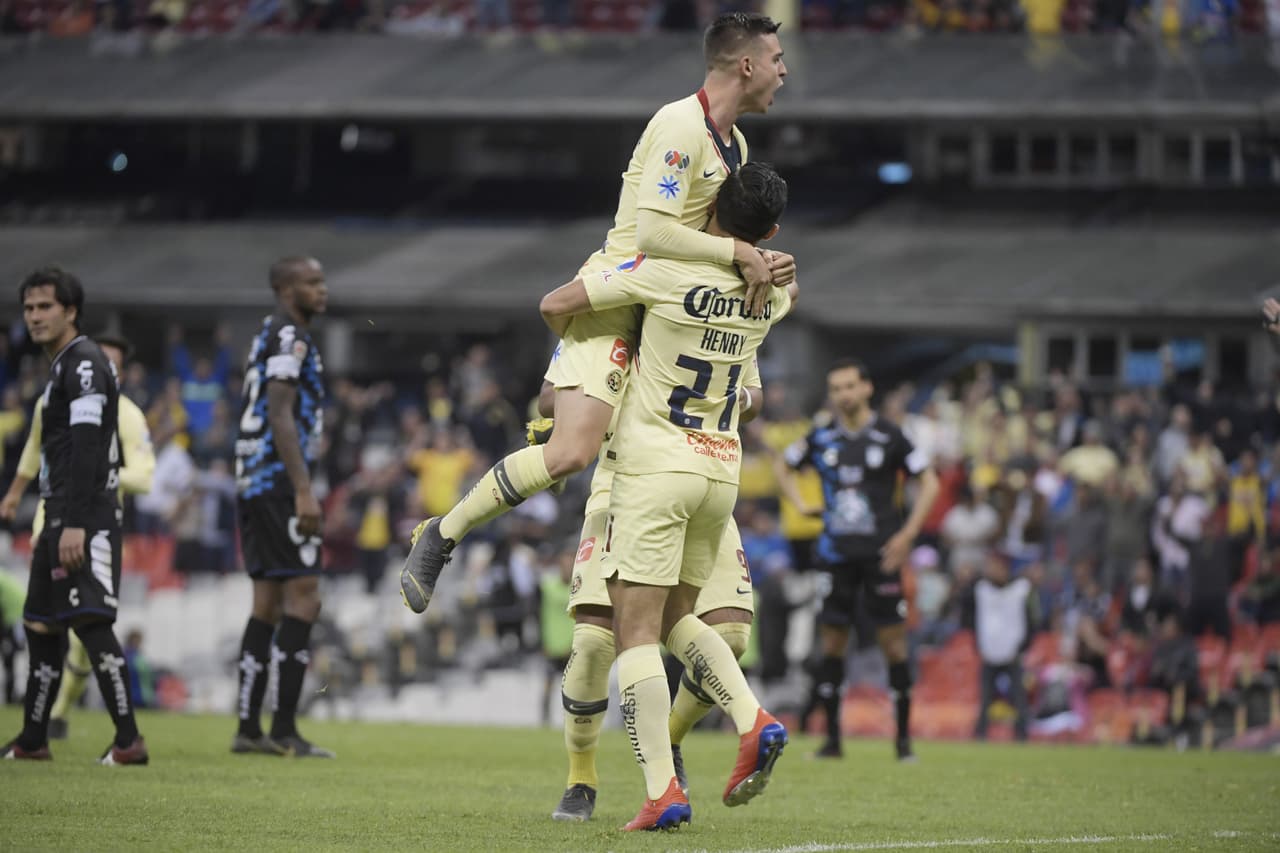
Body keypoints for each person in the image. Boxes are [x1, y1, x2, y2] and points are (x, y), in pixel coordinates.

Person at [399, 11, 793, 616]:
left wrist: (755, 260)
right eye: (776, 59)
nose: (783, 71)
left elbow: (713, 233)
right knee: (569, 455)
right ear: (747, 65)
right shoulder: (678, 126)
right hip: (621, 292)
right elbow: (656, 234)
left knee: (612, 435)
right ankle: (442, 534)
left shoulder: (734, 144)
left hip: (674, 308)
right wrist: (740, 252)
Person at [540, 161, 796, 831]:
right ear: (767, 232)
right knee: (675, 620)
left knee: (633, 633)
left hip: (651, 471)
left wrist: (594, 351)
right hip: (718, 469)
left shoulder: (660, 270)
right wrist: (761, 261)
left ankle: (676, 777)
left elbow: (556, 305)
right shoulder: (770, 293)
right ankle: (738, 723)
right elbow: (773, 305)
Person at [2, 266, 148, 764]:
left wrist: (78, 524)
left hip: (82, 518)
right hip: (58, 512)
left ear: (70, 311)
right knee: (41, 625)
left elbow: (88, 450)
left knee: (90, 621)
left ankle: (129, 741)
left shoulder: (83, 364)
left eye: (45, 306)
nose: (35, 316)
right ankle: (33, 739)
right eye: (28, 308)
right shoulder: (63, 364)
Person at [778, 358, 940, 762]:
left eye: (850, 386)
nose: (843, 395)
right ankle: (832, 742)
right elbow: (784, 465)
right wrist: (799, 502)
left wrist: (907, 535)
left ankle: (903, 744)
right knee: (831, 644)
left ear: (866, 388)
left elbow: (929, 481)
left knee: (894, 645)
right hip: (835, 556)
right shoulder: (820, 437)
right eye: (836, 389)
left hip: (881, 557)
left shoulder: (890, 436)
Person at [230, 256, 332, 758]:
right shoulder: (291, 337)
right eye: (312, 282)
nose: (322, 289)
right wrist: (302, 487)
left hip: (252, 478)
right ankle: (285, 729)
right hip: (277, 482)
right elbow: (279, 410)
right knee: (304, 598)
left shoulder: (265, 334)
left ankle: (249, 728)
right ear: (285, 289)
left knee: (265, 605)